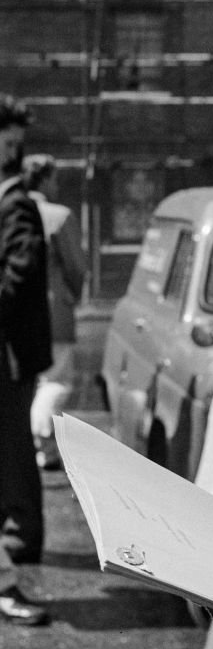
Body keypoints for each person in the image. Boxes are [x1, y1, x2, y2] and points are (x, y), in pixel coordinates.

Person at [0, 97, 52, 600]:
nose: (13, 150)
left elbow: (19, 273)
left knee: (14, 449)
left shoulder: (15, 202)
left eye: (16, 142)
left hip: (10, 353)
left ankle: (22, 544)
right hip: (11, 351)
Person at [22, 154, 87, 470]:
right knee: (57, 380)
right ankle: (43, 437)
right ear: (45, 179)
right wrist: (72, 295)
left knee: (28, 382)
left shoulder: (9, 210)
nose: (58, 185)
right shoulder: (59, 217)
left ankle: (37, 447)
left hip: (16, 310)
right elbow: (76, 266)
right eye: (55, 178)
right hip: (53, 311)